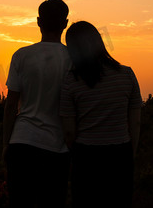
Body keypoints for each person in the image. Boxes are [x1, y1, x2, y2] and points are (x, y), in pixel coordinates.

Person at [60, 21, 142, 208]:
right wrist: (131, 153)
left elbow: (69, 133)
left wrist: (76, 157)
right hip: (120, 155)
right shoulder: (127, 74)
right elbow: (135, 123)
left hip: (86, 157)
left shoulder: (71, 82)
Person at [3, 0, 71, 208]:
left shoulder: (21, 56)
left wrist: (5, 144)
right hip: (57, 148)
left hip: (21, 143)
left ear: (38, 21)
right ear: (65, 23)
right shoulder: (73, 58)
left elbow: (10, 105)